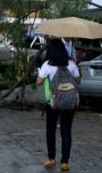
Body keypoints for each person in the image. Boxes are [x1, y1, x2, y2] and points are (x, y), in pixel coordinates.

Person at [36, 39, 81, 171]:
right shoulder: (71, 63)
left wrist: (42, 75)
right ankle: (65, 162)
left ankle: (51, 158)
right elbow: (78, 80)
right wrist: (74, 67)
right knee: (66, 131)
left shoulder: (47, 65)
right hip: (69, 102)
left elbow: (38, 82)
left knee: (51, 130)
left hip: (53, 102)